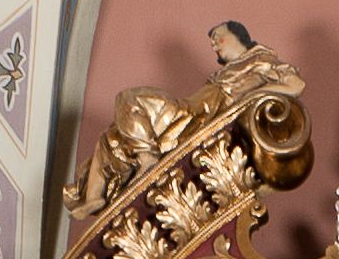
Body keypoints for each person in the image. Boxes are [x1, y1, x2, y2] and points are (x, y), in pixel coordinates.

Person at [64, 20, 304, 219]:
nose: (213, 44)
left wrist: (254, 95)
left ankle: (147, 158)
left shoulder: (260, 60)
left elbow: (295, 85)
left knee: (129, 99)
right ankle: (93, 197)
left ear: (237, 36)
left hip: (195, 117)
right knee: (112, 137)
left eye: (218, 37)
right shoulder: (226, 71)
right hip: (186, 115)